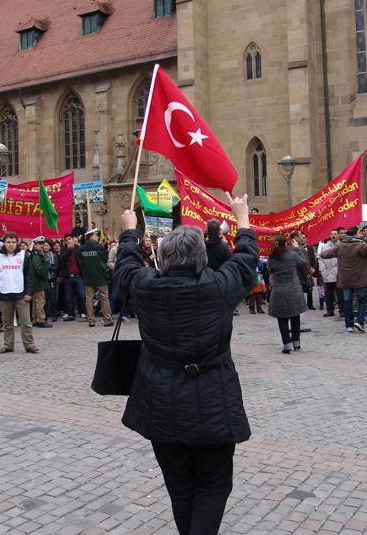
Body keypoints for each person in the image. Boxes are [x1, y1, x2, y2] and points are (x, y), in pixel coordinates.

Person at [113, 192, 257, 535]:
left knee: (180, 487)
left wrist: (129, 231)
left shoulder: (146, 286)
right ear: (202, 258)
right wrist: (242, 217)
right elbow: (247, 258)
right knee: (213, 486)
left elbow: (126, 267)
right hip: (212, 398)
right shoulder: (220, 286)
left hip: (161, 400)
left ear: (163, 258)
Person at [319, 226, 367, 333]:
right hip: (359, 278)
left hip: (345, 279)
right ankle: (360, 321)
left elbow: (327, 254)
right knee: (362, 301)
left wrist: (321, 254)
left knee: (347, 302)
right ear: (356, 234)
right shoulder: (360, 245)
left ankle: (349, 324)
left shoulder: (341, 246)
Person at [0, 231, 38, 354]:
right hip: (4, 294)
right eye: (8, 242)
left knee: (26, 322)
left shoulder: (23, 256)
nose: (11, 244)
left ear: (17, 243)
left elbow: (29, 276)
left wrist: (29, 293)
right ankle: (8, 345)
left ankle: (29, 344)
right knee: (7, 323)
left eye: (13, 242)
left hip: (21, 294)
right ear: (4, 243)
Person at [267, 233, 309, 353]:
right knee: (295, 316)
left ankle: (286, 344)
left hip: (279, 290)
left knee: (282, 319)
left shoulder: (272, 258)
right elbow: (303, 263)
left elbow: (270, 270)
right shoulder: (293, 255)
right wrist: (297, 248)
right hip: (293, 289)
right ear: (286, 243)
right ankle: (297, 343)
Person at [79, 229, 114, 327]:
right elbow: (105, 260)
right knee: (104, 298)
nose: (98, 236)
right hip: (100, 276)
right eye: (96, 235)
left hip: (88, 277)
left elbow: (80, 263)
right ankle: (107, 319)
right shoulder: (100, 247)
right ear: (92, 235)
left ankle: (91, 320)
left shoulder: (82, 248)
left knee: (89, 299)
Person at [59, 234, 85, 321]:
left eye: (69, 239)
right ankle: (71, 314)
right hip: (68, 277)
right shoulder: (64, 250)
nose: (68, 241)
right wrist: (69, 250)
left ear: (73, 239)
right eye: (66, 240)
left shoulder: (79, 248)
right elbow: (61, 259)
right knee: (68, 296)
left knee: (81, 295)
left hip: (78, 276)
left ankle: (82, 312)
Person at [30, 236, 52, 328]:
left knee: (36, 302)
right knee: (40, 301)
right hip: (38, 281)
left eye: (42, 244)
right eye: (39, 244)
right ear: (35, 245)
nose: (41, 246)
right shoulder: (36, 255)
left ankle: (35, 319)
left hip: (37, 281)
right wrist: (45, 270)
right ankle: (40, 319)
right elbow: (38, 269)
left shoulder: (37, 254)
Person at [318, 230, 340, 318]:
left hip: (338, 272)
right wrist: (322, 270)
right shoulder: (324, 247)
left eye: (335, 234)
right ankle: (330, 310)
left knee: (340, 293)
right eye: (332, 234)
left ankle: (342, 309)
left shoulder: (341, 246)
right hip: (327, 272)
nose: (333, 236)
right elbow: (320, 258)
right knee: (328, 294)